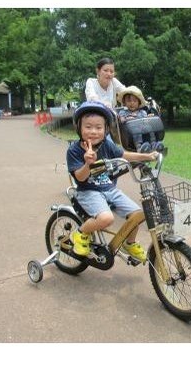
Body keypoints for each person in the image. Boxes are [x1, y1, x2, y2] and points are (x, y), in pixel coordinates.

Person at [66, 101, 158, 263]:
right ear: (79, 128)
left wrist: (147, 156)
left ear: (106, 129)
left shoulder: (106, 145)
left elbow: (124, 155)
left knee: (137, 215)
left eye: (98, 127)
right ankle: (80, 234)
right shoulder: (74, 150)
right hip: (88, 191)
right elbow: (80, 178)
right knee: (106, 219)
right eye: (88, 127)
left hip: (109, 189)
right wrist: (88, 163)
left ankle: (129, 243)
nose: (93, 131)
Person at [116, 86, 165, 153]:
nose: (132, 103)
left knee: (149, 127)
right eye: (129, 101)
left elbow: (145, 121)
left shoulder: (142, 112)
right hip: (129, 134)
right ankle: (139, 147)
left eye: (134, 101)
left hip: (143, 130)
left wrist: (149, 118)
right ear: (124, 102)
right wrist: (125, 119)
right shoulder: (123, 112)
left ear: (139, 102)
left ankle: (154, 144)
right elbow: (120, 120)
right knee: (136, 129)